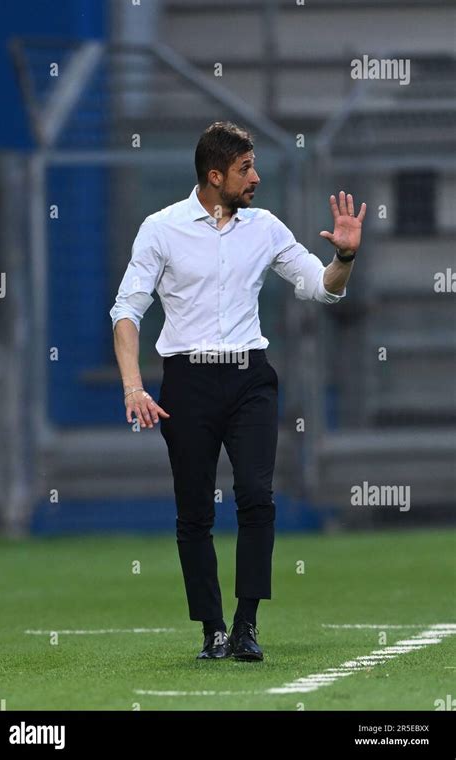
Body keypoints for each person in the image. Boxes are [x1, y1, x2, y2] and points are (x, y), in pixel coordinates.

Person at [110, 121, 366, 661]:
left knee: (256, 496)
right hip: (187, 381)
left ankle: (247, 624)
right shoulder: (161, 228)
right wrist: (133, 385)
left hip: (250, 377)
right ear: (214, 174)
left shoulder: (265, 227)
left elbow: (320, 290)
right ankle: (212, 630)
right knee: (194, 511)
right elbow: (127, 311)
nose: (255, 177)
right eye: (245, 169)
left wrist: (343, 258)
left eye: (253, 166)